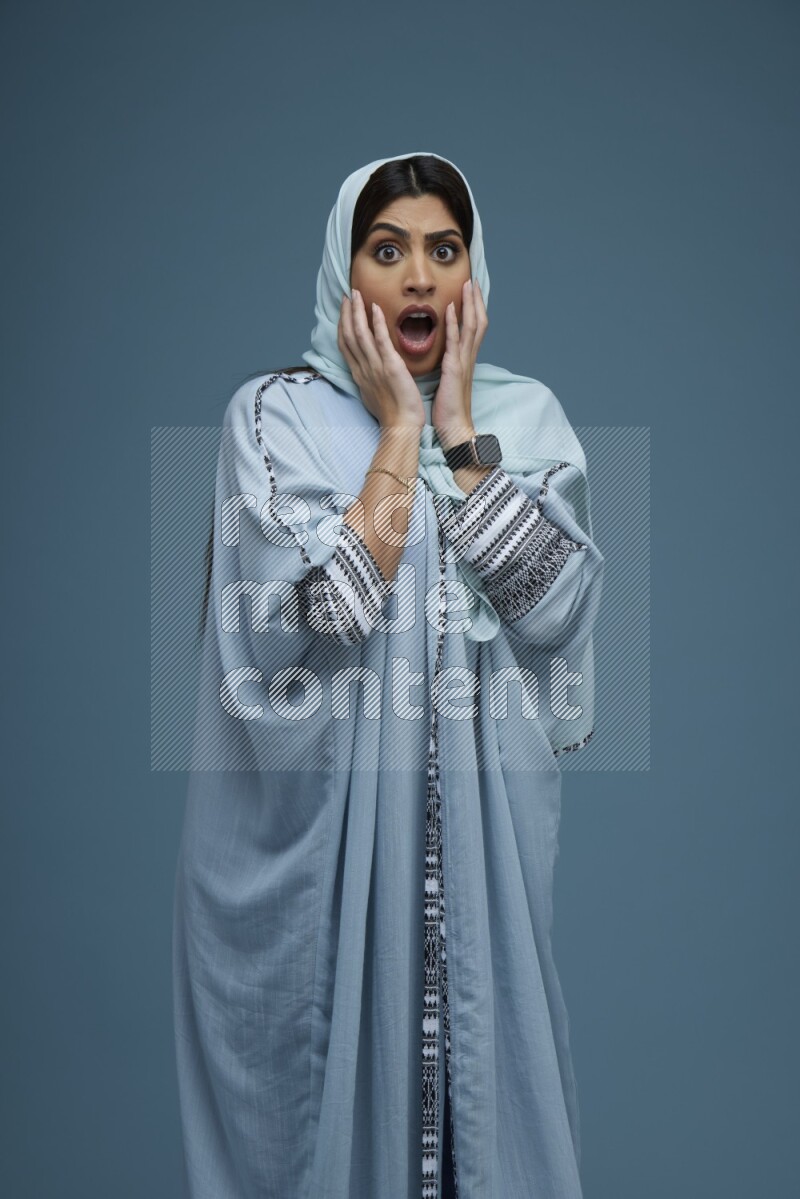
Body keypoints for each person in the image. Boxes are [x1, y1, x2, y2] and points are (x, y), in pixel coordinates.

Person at [172, 151, 605, 1199]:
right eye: (387, 249)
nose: (418, 278)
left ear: (473, 276)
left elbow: (553, 610)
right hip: (310, 873)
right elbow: (319, 613)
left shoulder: (526, 422)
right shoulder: (273, 418)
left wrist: (454, 431)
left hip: (482, 872)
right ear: (344, 272)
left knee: (485, 1121)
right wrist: (396, 429)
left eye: (442, 250)